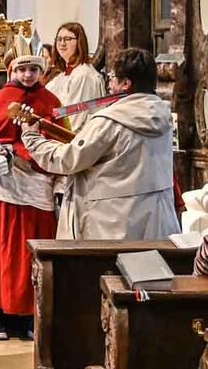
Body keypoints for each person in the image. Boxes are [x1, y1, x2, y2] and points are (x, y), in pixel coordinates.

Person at [24, 47, 179, 240]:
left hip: (112, 223)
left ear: (126, 83)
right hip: (155, 220)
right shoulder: (162, 116)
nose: (110, 81)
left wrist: (32, 140)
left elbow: (67, 160)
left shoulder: (110, 121)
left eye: (113, 76)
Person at [0, 36, 60, 340]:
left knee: (34, 250)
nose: (27, 76)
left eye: (33, 70)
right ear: (12, 71)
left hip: (38, 184)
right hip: (5, 184)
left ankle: (29, 313)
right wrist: (8, 149)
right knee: (0, 247)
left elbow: (60, 139)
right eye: (22, 70)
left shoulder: (51, 101)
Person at [45, 22, 105, 130]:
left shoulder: (84, 75)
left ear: (79, 42)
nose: (62, 43)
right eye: (59, 39)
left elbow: (74, 119)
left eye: (67, 39)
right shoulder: (61, 76)